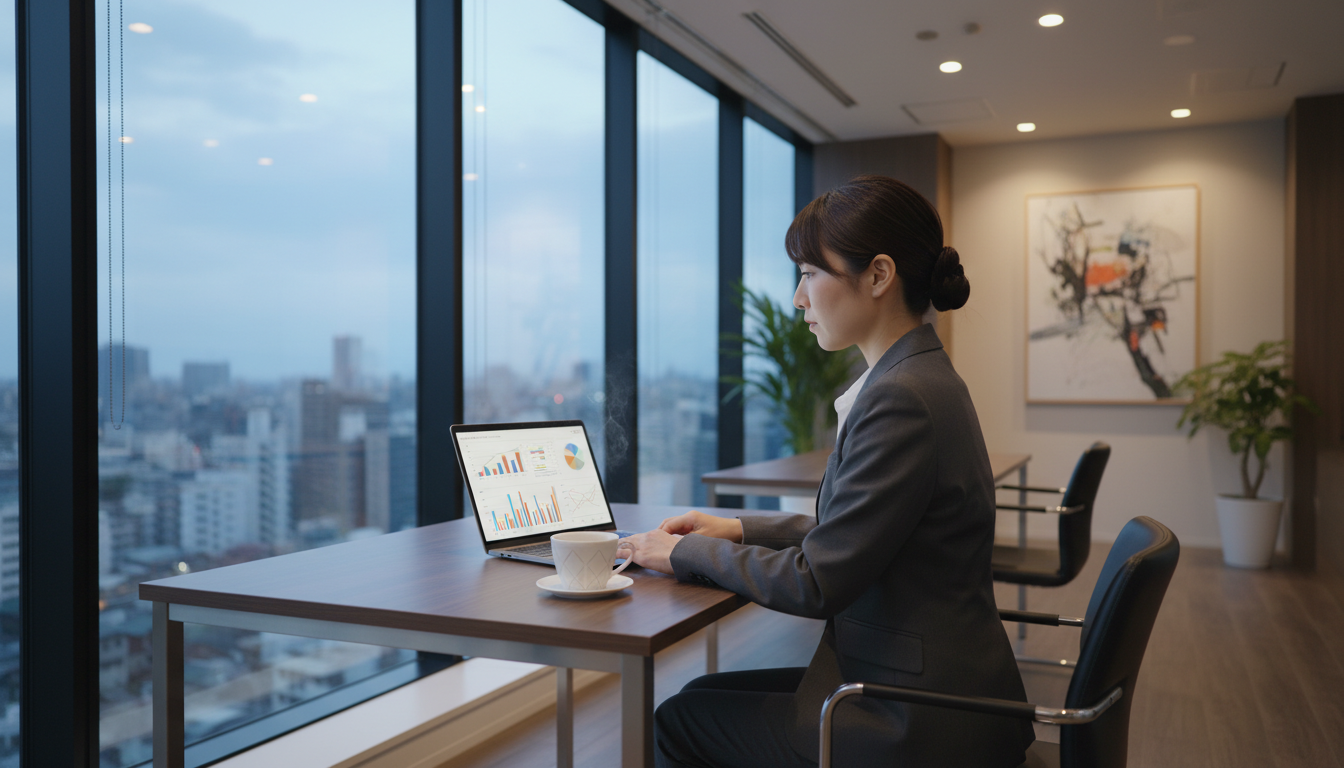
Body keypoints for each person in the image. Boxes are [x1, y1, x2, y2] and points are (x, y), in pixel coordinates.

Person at [621, 175, 1035, 768]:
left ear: (878, 275)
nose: (798, 298)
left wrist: (678, 553)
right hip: (941, 687)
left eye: (810, 274)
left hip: (911, 718)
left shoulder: (901, 399)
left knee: (680, 718)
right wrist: (736, 530)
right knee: (697, 697)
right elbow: (863, 534)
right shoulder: (921, 376)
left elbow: (817, 583)